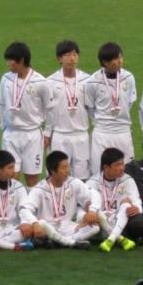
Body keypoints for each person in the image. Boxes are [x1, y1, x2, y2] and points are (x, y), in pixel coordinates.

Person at [0, 41, 50, 188]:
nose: (8, 64)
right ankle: (11, 210)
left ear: (22, 61)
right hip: (11, 134)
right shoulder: (6, 79)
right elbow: (1, 103)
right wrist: (3, 127)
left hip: (32, 135)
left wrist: (47, 133)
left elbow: (50, 109)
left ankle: (30, 210)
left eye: (11, 61)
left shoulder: (41, 82)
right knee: (10, 177)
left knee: (32, 180)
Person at [84, 42, 137, 173]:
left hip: (123, 132)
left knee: (127, 172)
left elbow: (129, 103)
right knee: (99, 172)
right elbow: (90, 108)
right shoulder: (92, 82)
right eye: (113, 59)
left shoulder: (129, 77)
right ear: (104, 62)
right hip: (103, 133)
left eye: (119, 57)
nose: (118, 62)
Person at [44, 40, 92, 181]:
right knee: (58, 176)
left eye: (75, 55)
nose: (72, 58)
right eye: (68, 55)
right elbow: (48, 111)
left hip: (81, 134)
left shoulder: (88, 80)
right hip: (60, 135)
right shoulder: (50, 82)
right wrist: (47, 134)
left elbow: (92, 108)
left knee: (83, 178)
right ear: (59, 58)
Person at [87, 147, 140, 252]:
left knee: (126, 205)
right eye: (117, 165)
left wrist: (136, 207)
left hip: (120, 223)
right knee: (95, 211)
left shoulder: (128, 180)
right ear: (106, 167)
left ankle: (110, 240)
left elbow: (137, 201)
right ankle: (119, 238)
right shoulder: (92, 182)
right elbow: (85, 208)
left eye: (122, 164)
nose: (122, 168)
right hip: (100, 225)